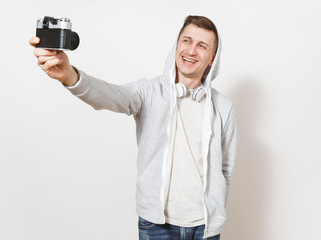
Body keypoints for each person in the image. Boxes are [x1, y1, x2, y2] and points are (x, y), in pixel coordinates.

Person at [30, 15, 237, 240]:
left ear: (211, 59)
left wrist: (215, 215)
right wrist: (69, 76)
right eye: (186, 41)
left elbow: (224, 170)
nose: (191, 50)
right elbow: (111, 95)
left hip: (205, 229)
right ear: (177, 45)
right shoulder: (149, 92)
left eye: (202, 45)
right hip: (156, 227)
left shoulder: (223, 108)